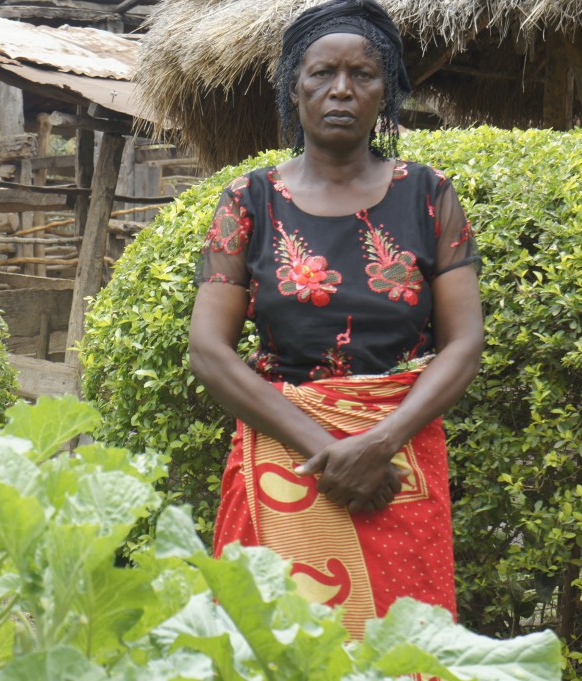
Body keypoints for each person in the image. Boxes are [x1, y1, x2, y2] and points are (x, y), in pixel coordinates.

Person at [188, 0, 483, 638]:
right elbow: (209, 350)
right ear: (293, 87)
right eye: (322, 73)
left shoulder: (429, 196)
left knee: (401, 650)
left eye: (363, 74)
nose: (341, 89)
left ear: (387, 92)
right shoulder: (249, 201)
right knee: (274, 649)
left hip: (396, 463)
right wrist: (326, 451)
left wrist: (379, 444)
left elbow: (464, 342)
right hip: (284, 460)